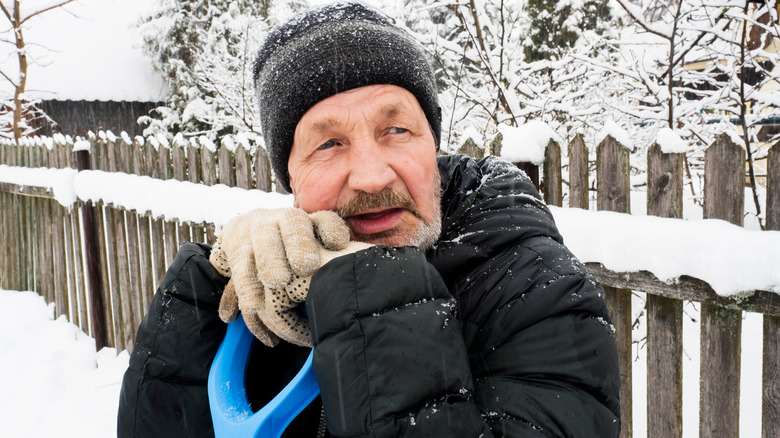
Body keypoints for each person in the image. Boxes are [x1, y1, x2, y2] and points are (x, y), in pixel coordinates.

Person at [117, 2, 621, 437]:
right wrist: (207, 290)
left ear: (433, 146)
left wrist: (369, 293)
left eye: (397, 129)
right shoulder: (266, 295)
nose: (373, 177)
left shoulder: (538, 295)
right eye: (329, 143)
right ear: (290, 177)